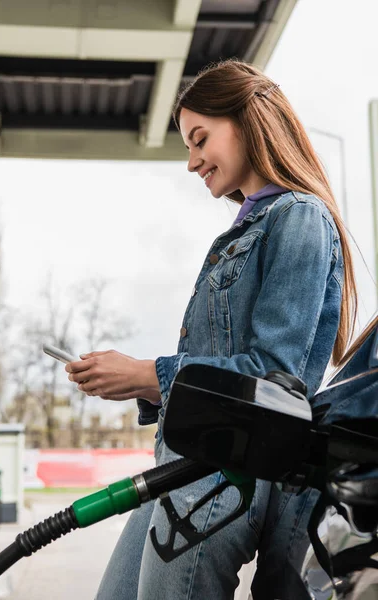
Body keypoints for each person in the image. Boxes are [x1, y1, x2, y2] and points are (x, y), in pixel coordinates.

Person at [65, 59, 358, 599]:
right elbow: (221, 357)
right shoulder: (245, 227)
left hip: (221, 478)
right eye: (187, 146)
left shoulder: (299, 218)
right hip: (181, 468)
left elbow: (272, 380)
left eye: (200, 139)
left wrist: (144, 375)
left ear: (248, 121)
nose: (192, 160)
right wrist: (135, 382)